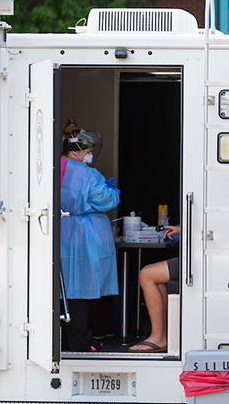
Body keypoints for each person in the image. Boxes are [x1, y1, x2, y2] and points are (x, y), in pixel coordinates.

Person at [60, 117, 120, 352]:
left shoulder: (56, 168)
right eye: (87, 149)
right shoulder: (88, 174)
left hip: (63, 233)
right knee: (80, 292)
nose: (89, 154)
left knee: (64, 289)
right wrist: (112, 190)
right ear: (75, 151)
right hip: (85, 237)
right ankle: (81, 340)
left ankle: (67, 339)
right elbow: (105, 199)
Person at [129, 225, 180, 352]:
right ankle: (162, 335)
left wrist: (182, 230)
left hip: (199, 259)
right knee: (155, 278)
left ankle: (158, 337)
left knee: (147, 274)